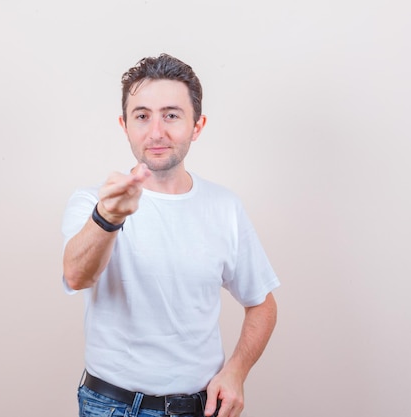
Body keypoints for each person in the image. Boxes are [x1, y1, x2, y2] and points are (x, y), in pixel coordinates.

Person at [61, 53, 280, 417]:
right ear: (125, 125)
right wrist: (108, 217)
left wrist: (236, 372)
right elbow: (76, 275)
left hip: (198, 408)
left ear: (197, 126)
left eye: (172, 115)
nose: (156, 131)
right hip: (110, 406)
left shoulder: (224, 206)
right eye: (142, 116)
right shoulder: (93, 201)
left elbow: (263, 304)